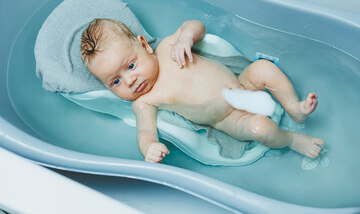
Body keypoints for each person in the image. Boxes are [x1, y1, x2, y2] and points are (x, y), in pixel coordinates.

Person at [80, 18, 324, 163]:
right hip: (227, 118)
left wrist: (186, 37)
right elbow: (145, 132)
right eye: (115, 82)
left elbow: (196, 25)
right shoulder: (144, 101)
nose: (130, 80)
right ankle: (291, 140)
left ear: (145, 45)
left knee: (263, 68)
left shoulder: (167, 46)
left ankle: (295, 108)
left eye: (131, 65)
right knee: (261, 128)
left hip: (241, 82)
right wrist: (149, 148)